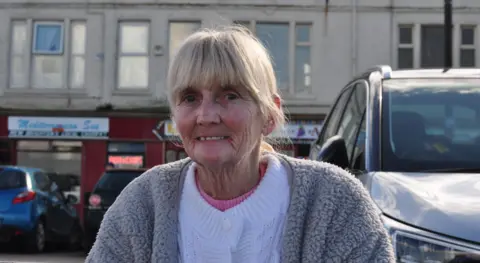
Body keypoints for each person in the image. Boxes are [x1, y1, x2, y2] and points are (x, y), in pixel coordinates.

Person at [86, 26, 395, 262]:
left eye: (230, 95)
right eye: (190, 98)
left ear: (269, 115)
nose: (206, 115)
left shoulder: (335, 201)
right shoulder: (142, 205)